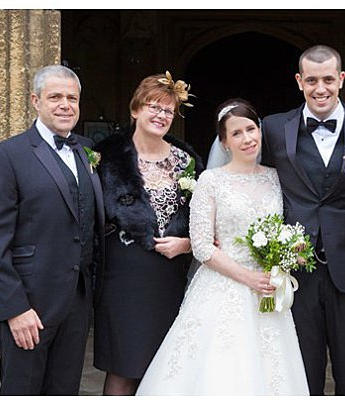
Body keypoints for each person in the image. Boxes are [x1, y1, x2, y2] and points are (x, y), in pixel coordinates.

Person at [136, 98, 309, 395]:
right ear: (225, 142)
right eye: (237, 133)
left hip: (268, 291)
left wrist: (291, 251)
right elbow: (203, 246)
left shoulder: (276, 178)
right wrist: (248, 277)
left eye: (251, 129)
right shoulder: (211, 181)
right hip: (223, 288)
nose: (247, 138)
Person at [261, 45, 345, 395]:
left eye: (329, 79)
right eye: (312, 80)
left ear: (341, 79)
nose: (321, 88)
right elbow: (258, 185)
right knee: (301, 370)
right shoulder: (273, 128)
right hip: (295, 272)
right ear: (299, 81)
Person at [0, 65, 105, 395]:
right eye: (55, 97)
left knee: (63, 392)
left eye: (72, 98)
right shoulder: (7, 155)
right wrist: (15, 309)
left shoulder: (84, 150)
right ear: (35, 101)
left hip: (76, 303)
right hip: (28, 305)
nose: (65, 105)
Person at [92, 72, 204, 395]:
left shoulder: (186, 160)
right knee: (124, 367)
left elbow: (205, 220)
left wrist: (186, 245)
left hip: (169, 278)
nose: (161, 115)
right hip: (123, 276)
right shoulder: (106, 156)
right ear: (136, 109)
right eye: (154, 106)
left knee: (164, 368)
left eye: (168, 111)